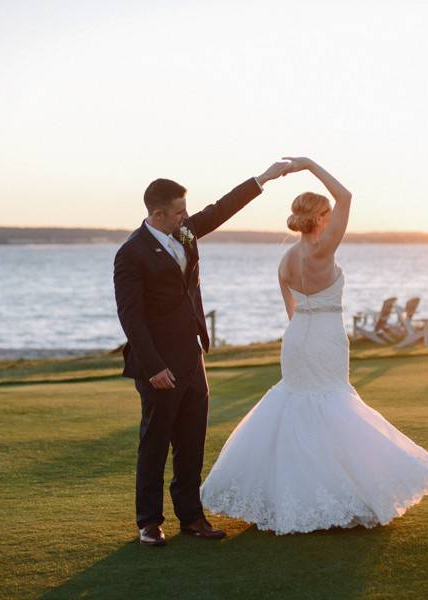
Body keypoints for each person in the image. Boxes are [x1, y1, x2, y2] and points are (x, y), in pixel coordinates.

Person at [200, 157, 428, 535]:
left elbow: (291, 311)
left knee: (297, 406)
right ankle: (335, 495)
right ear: (320, 218)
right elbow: (346, 195)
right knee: (333, 406)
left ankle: (294, 499)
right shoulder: (321, 250)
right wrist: (309, 164)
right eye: (328, 213)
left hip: (297, 338)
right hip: (327, 336)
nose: (333, 217)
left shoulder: (285, 260)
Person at [113, 160, 293, 546]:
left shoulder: (184, 232)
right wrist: (154, 366)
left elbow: (220, 209)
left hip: (192, 357)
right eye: (179, 211)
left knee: (192, 442)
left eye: (185, 210)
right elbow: (131, 317)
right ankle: (149, 523)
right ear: (158, 214)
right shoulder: (131, 253)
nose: (187, 216)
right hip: (158, 365)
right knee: (155, 443)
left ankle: (192, 518)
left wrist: (262, 178)